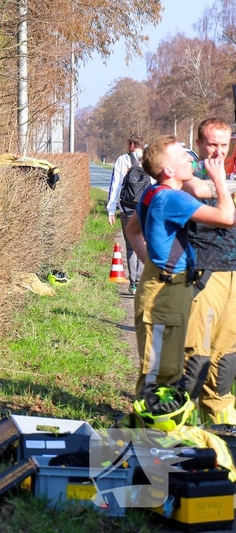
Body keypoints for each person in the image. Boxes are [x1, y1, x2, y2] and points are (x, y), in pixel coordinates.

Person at [124, 135, 235, 403]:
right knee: (161, 373)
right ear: (169, 170)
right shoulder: (173, 199)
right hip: (166, 293)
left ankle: (157, 432)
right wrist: (220, 181)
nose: (189, 158)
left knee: (164, 367)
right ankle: (150, 435)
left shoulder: (153, 193)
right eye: (182, 156)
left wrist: (152, 261)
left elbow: (132, 230)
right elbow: (227, 218)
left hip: (161, 285)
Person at [180, 118, 236, 424]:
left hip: (234, 274)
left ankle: (221, 428)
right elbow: (200, 190)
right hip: (204, 273)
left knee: (227, 355)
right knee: (196, 355)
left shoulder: (230, 173)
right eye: (212, 144)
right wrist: (219, 179)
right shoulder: (189, 172)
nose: (217, 151)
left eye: (223, 145)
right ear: (200, 143)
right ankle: (174, 425)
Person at [108, 135, 146, 294]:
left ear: (131, 145)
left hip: (126, 209)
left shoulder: (122, 160)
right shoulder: (149, 158)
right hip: (145, 209)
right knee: (144, 245)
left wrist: (111, 210)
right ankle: (141, 280)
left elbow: (115, 185)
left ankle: (133, 284)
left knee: (131, 247)